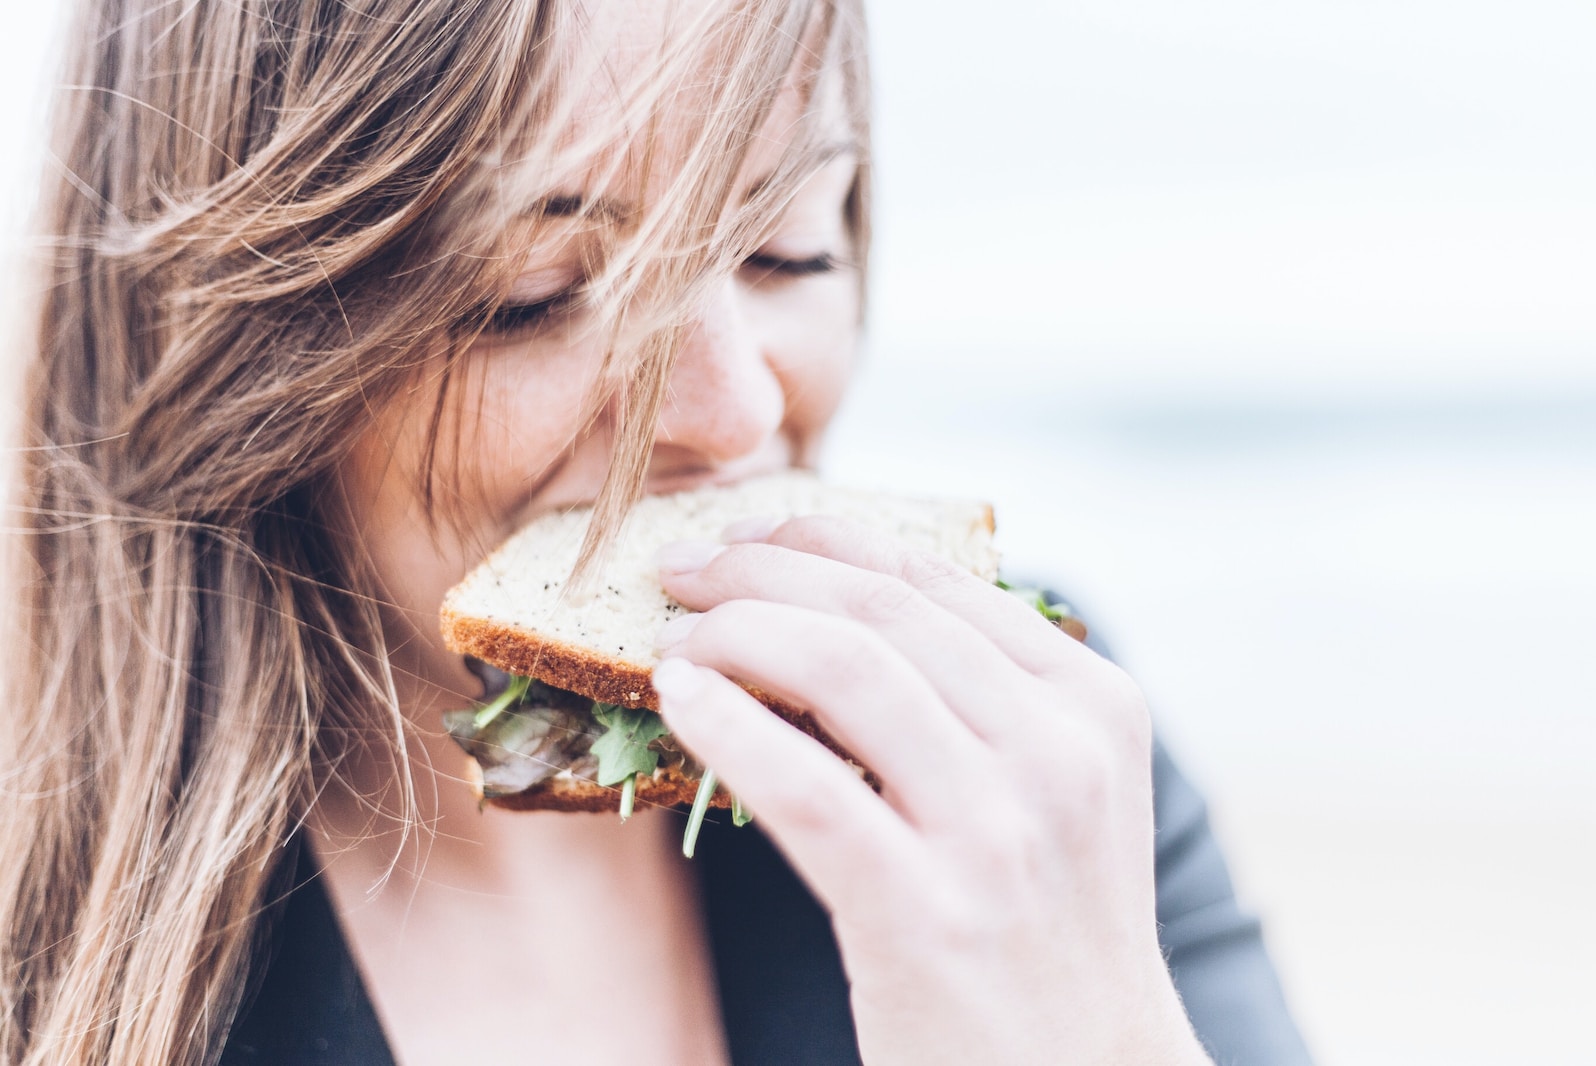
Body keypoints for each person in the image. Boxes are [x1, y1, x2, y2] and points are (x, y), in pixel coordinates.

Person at [0, 0, 1313, 1063]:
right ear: (235, 349)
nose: (741, 408)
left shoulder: (1033, 764)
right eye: (541, 294)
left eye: (791, 251)